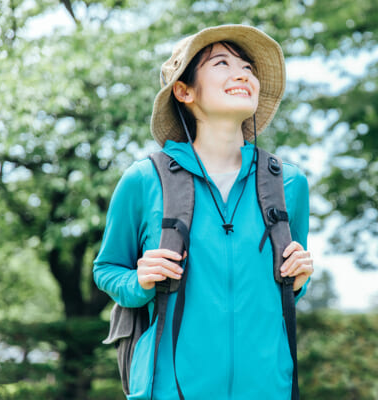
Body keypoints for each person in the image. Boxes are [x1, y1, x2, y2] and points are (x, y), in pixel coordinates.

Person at [93, 24, 314, 399]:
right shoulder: (145, 179)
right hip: (169, 389)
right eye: (222, 63)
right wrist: (139, 281)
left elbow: (290, 287)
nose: (242, 72)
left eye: (247, 67)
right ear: (184, 91)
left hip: (267, 388)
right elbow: (107, 269)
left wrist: (300, 276)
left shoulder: (287, 184)